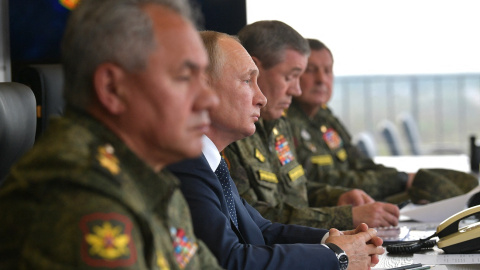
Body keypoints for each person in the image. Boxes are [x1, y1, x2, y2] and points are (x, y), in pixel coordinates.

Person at [0, 0, 223, 269]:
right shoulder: (77, 194)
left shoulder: (149, 176)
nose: (209, 100)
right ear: (112, 89)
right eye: (185, 77)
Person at [169, 30, 384, 270]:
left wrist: (334, 240)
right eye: (247, 81)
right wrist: (336, 256)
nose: (261, 98)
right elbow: (231, 261)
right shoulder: (184, 166)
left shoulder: (211, 162)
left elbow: (261, 229)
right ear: (202, 88)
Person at [224, 20, 400, 230]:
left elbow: (294, 192)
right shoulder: (230, 133)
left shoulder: (277, 125)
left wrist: (338, 197)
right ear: (254, 70)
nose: (296, 90)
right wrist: (344, 216)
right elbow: (255, 222)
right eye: (290, 77)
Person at [287, 38, 479, 205]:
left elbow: (361, 162)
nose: (321, 79)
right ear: (294, 75)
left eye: (328, 71)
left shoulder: (324, 117)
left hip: (359, 201)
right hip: (336, 210)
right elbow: (317, 180)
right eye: (311, 71)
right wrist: (399, 181)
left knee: (459, 187)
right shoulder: (285, 122)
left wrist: (403, 179)